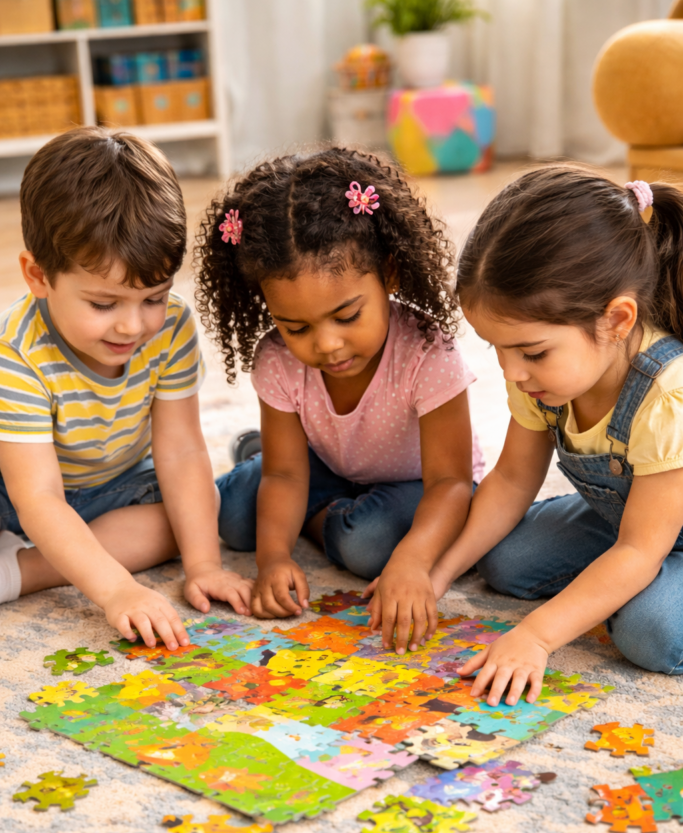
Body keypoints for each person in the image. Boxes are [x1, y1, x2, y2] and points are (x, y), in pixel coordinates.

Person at [196, 148, 484, 654]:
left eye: (347, 316)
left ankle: (294, 490)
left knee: (369, 544)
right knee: (232, 514)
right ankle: (275, 470)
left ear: (389, 273)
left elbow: (452, 482)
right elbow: (285, 476)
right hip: (326, 466)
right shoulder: (278, 359)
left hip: (419, 484)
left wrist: (413, 561)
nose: (326, 344)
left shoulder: (426, 351)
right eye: (296, 326)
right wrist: (273, 560)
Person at [430, 166, 683, 706]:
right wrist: (440, 572)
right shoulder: (542, 379)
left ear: (617, 320)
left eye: (531, 351)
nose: (512, 371)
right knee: (507, 562)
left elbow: (641, 549)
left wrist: (538, 636)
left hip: (653, 536)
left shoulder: (669, 396)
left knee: (650, 632)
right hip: (632, 521)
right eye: (496, 348)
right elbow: (512, 479)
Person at [0, 127, 252, 647]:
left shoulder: (173, 328)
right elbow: (40, 498)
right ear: (38, 276)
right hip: (18, 489)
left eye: (153, 298)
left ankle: (25, 569)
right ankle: (31, 565)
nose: (133, 327)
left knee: (193, 512)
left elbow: (180, 450)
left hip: (117, 486)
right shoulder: (17, 352)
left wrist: (202, 563)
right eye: (103, 304)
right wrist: (118, 591)